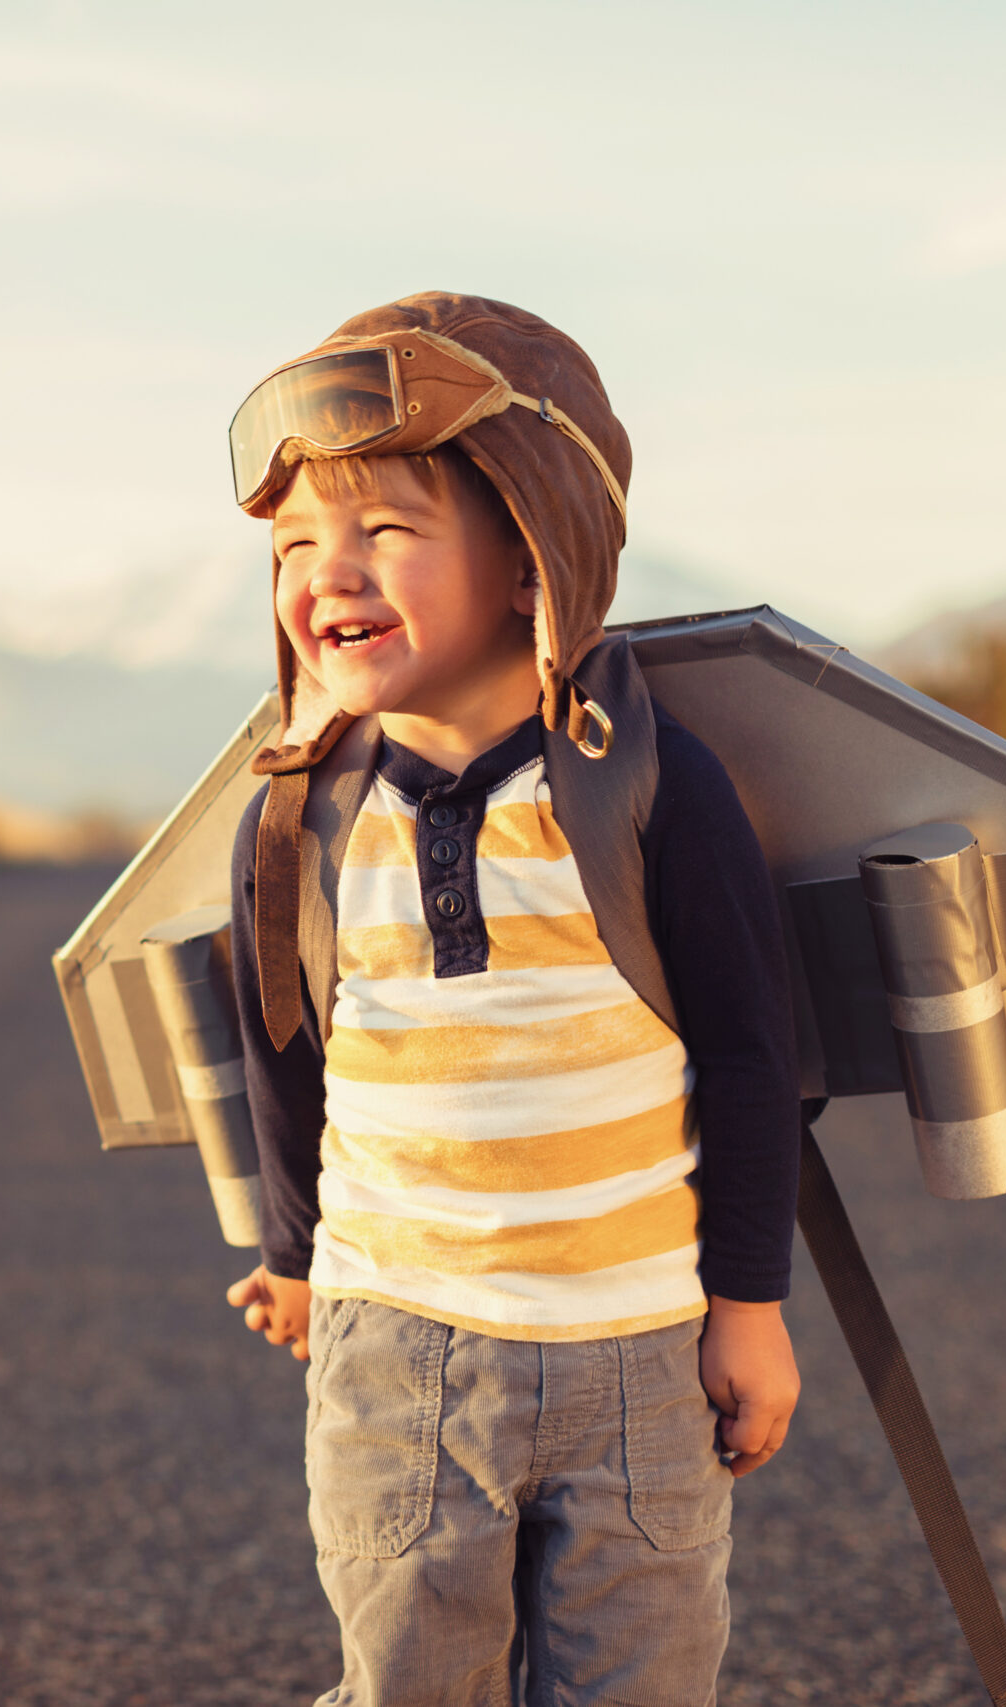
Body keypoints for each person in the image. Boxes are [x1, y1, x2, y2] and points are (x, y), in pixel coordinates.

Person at [219, 292, 803, 1707]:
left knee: (643, 1688)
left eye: (384, 532)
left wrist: (750, 1303)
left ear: (533, 554)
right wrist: (298, 1253)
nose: (326, 576)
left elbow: (747, 1057)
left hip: (637, 1354)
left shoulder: (644, 785)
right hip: (395, 1355)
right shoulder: (301, 815)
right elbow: (284, 1054)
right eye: (297, 546)